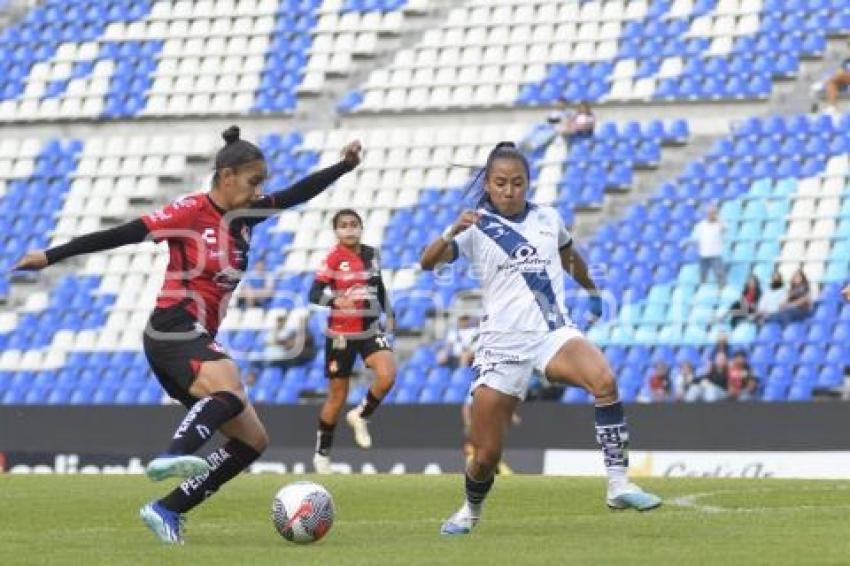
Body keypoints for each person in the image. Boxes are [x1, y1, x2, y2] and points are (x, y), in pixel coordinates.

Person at [14, 126, 362, 544]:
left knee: (252, 441)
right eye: (254, 181)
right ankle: (173, 456)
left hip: (193, 337)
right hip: (172, 327)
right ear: (227, 175)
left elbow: (295, 194)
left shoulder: (246, 215)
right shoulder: (189, 212)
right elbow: (122, 233)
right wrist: (51, 255)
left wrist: (343, 166)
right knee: (231, 382)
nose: (259, 191)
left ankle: (166, 509)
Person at [419, 141, 660, 536]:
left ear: (528, 183)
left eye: (517, 182)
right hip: (501, 347)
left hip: (552, 333)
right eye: (501, 183)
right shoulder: (476, 226)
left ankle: (618, 484)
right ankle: (470, 509)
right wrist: (450, 230)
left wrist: (593, 290)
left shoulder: (548, 218)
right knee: (486, 455)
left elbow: (569, 256)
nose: (509, 190)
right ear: (489, 185)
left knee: (605, 381)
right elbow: (427, 263)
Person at [307, 208, 396, 474]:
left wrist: (389, 314)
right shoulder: (333, 258)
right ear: (336, 231)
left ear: (361, 227)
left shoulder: (372, 254)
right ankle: (322, 453)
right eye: (343, 225)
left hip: (369, 329)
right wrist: (335, 300)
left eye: (353, 224)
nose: (349, 229)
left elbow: (379, 286)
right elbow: (313, 294)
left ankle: (360, 415)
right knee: (337, 396)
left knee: (388, 374)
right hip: (341, 335)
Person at [692, 203, 726, 287]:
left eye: (713, 213)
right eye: (710, 213)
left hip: (715, 254)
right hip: (703, 254)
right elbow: (696, 238)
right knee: (702, 274)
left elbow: (724, 229)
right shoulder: (701, 225)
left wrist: (718, 218)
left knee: (719, 273)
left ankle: (722, 289)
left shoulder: (719, 224)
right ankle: (702, 289)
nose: (711, 215)